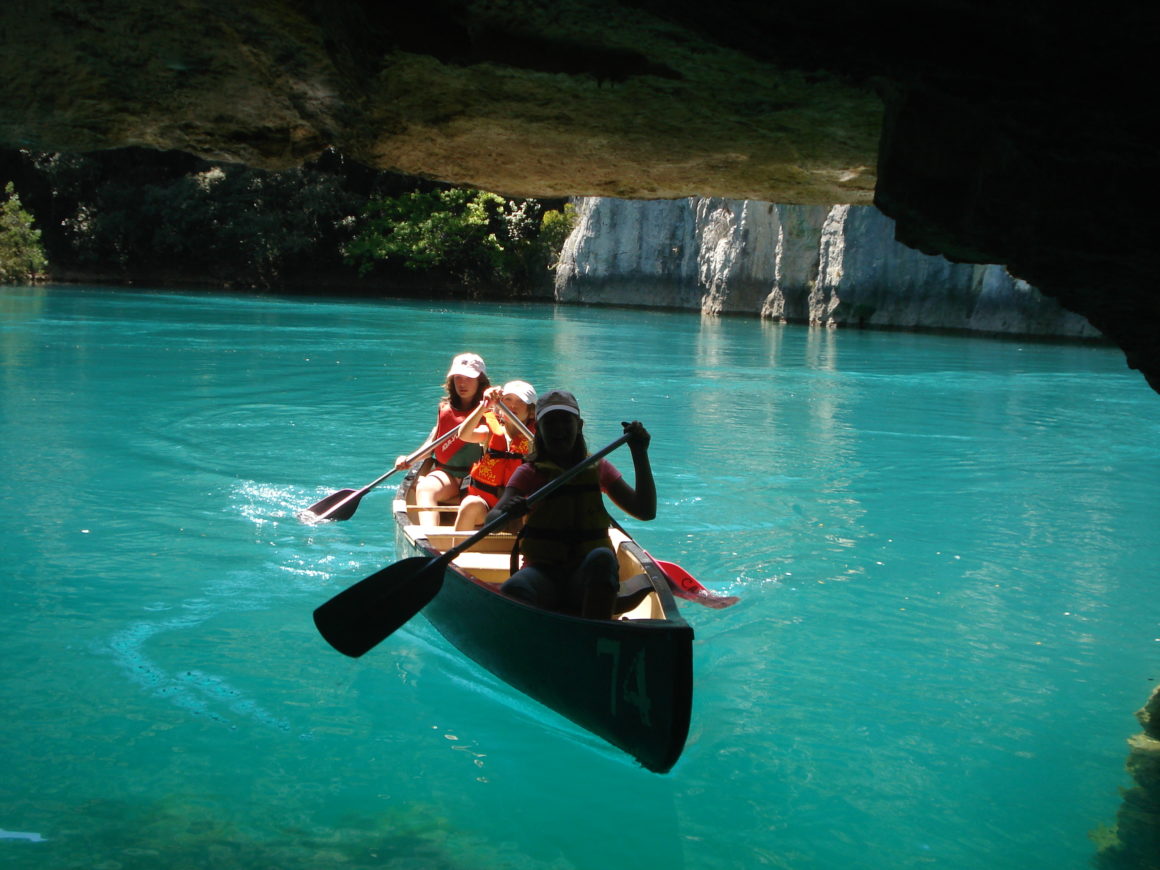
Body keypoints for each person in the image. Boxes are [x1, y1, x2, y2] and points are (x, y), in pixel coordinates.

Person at [486, 389, 656, 619]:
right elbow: (491, 521)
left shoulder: (598, 468)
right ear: (539, 428)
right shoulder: (529, 472)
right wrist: (508, 512)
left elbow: (645, 511)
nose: (558, 429)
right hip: (543, 573)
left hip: (586, 576)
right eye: (550, 422)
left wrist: (639, 453)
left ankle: (594, 631)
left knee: (602, 558)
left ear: (580, 425)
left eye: (566, 420)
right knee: (513, 589)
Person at [398, 352, 490, 525]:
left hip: (479, 477)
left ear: (480, 381)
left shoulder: (492, 412)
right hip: (448, 474)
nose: (462, 383)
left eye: (469, 378)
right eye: (458, 378)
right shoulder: (445, 409)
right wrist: (408, 459)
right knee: (425, 488)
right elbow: (431, 446)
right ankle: (429, 542)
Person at [454, 380, 538, 531]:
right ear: (500, 405)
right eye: (508, 399)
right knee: (469, 504)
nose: (513, 405)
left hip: (520, 507)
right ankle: (456, 552)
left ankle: (528, 552)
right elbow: (464, 435)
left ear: (531, 411)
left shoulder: (536, 439)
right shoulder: (490, 433)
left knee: (537, 510)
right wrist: (484, 405)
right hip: (487, 506)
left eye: (520, 401)